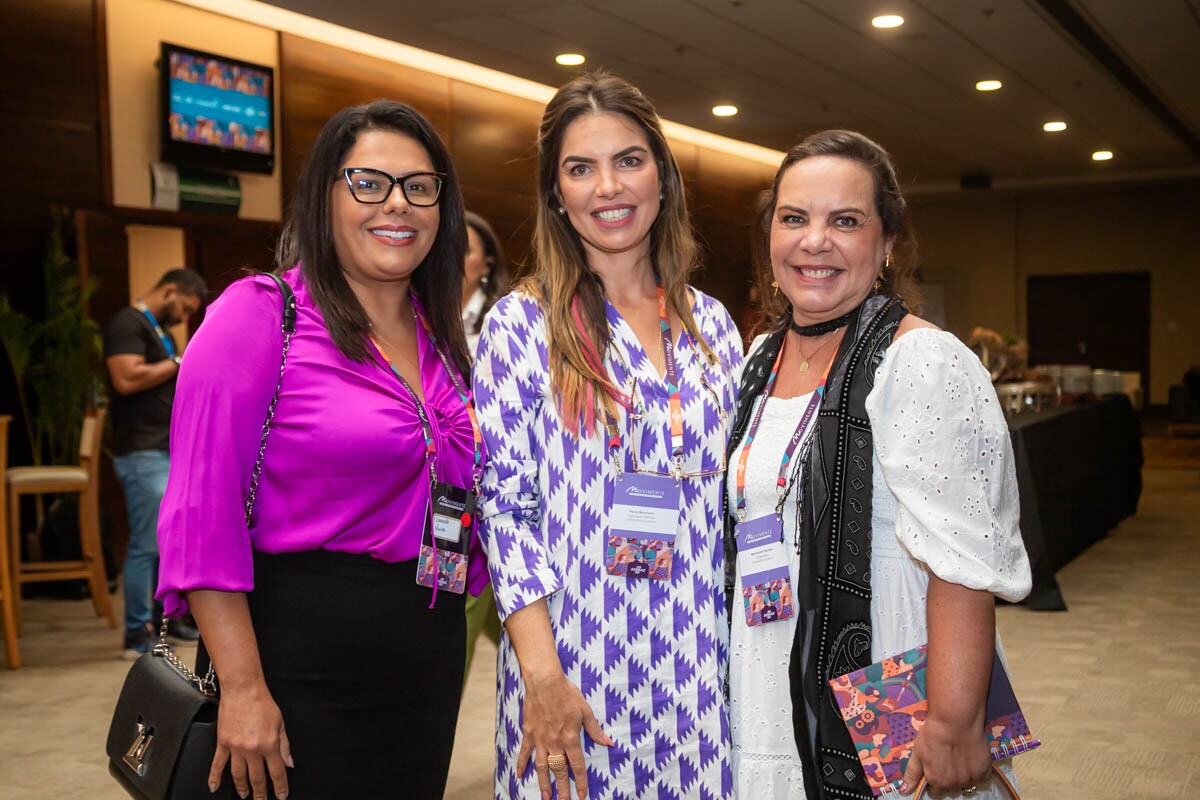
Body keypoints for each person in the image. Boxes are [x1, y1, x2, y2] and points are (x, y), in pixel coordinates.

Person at [156, 100, 487, 800]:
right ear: (324, 196)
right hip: (298, 663)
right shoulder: (258, 314)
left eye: (420, 187)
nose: (397, 204)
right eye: (368, 182)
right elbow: (200, 513)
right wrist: (244, 689)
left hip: (425, 656)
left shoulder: (444, 340)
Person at [724, 129, 1032, 800]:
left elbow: (962, 562)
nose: (816, 241)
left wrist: (953, 719)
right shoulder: (756, 360)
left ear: (886, 242)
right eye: (794, 218)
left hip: (887, 681)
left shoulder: (922, 362)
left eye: (846, 221)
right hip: (768, 665)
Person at [473, 72, 743, 800]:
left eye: (628, 160)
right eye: (579, 168)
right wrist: (542, 678)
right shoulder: (521, 326)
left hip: (701, 666)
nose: (607, 187)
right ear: (556, 193)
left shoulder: (713, 326)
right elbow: (505, 512)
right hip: (576, 670)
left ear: (663, 174)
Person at [103, 267, 206, 658]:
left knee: (169, 542)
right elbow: (126, 379)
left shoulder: (159, 332)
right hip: (142, 452)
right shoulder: (128, 324)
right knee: (146, 545)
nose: (183, 317)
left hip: (165, 450)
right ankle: (136, 632)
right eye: (184, 308)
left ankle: (167, 617)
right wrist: (179, 362)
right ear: (168, 291)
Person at [462, 210, 508, 675]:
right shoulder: (416, 318)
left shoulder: (501, 323)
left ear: (487, 263)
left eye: (466, 248)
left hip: (492, 497)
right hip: (445, 495)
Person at [461, 210, 510, 357]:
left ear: (487, 265)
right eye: (446, 249)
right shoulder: (418, 313)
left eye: (464, 250)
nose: (452, 258)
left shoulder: (505, 317)